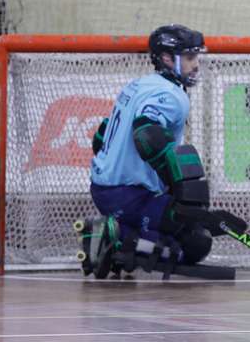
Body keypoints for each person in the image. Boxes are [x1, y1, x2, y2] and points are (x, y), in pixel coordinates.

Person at [85, 23, 222, 276]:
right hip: (129, 195)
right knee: (195, 242)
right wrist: (175, 183)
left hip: (103, 190)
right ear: (167, 59)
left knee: (183, 222)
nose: (196, 64)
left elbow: (101, 136)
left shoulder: (137, 85)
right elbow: (146, 133)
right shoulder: (171, 95)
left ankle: (122, 233)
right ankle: (118, 239)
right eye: (190, 57)